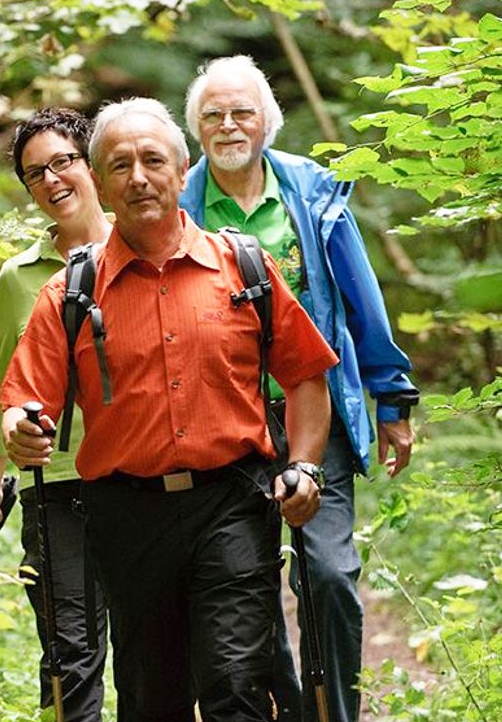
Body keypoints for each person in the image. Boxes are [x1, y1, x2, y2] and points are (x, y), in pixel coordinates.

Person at [0, 97, 340, 722]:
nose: (138, 178)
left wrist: (306, 466)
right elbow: (24, 400)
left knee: (237, 685)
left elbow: (306, 377)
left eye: (153, 161)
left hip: (233, 502)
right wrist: (20, 428)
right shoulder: (69, 292)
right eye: (120, 165)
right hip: (125, 517)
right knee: (152, 698)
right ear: (100, 183)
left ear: (183, 172)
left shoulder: (244, 268)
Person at [180, 55, 420, 722]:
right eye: (212, 114)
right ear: (196, 128)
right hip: (226, 420)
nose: (228, 125)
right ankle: (292, 707)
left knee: (328, 575)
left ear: (267, 121)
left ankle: (334, 712)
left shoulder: (310, 191)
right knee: (245, 584)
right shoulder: (179, 204)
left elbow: (359, 299)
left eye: (242, 112)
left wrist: (392, 396)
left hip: (318, 409)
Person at [0, 108, 112, 721]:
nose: (51, 180)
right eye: (34, 173)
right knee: (69, 657)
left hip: (143, 478)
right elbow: (4, 380)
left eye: (62, 162)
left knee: (154, 655)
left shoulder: (146, 248)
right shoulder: (18, 277)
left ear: (91, 164)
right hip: (55, 484)